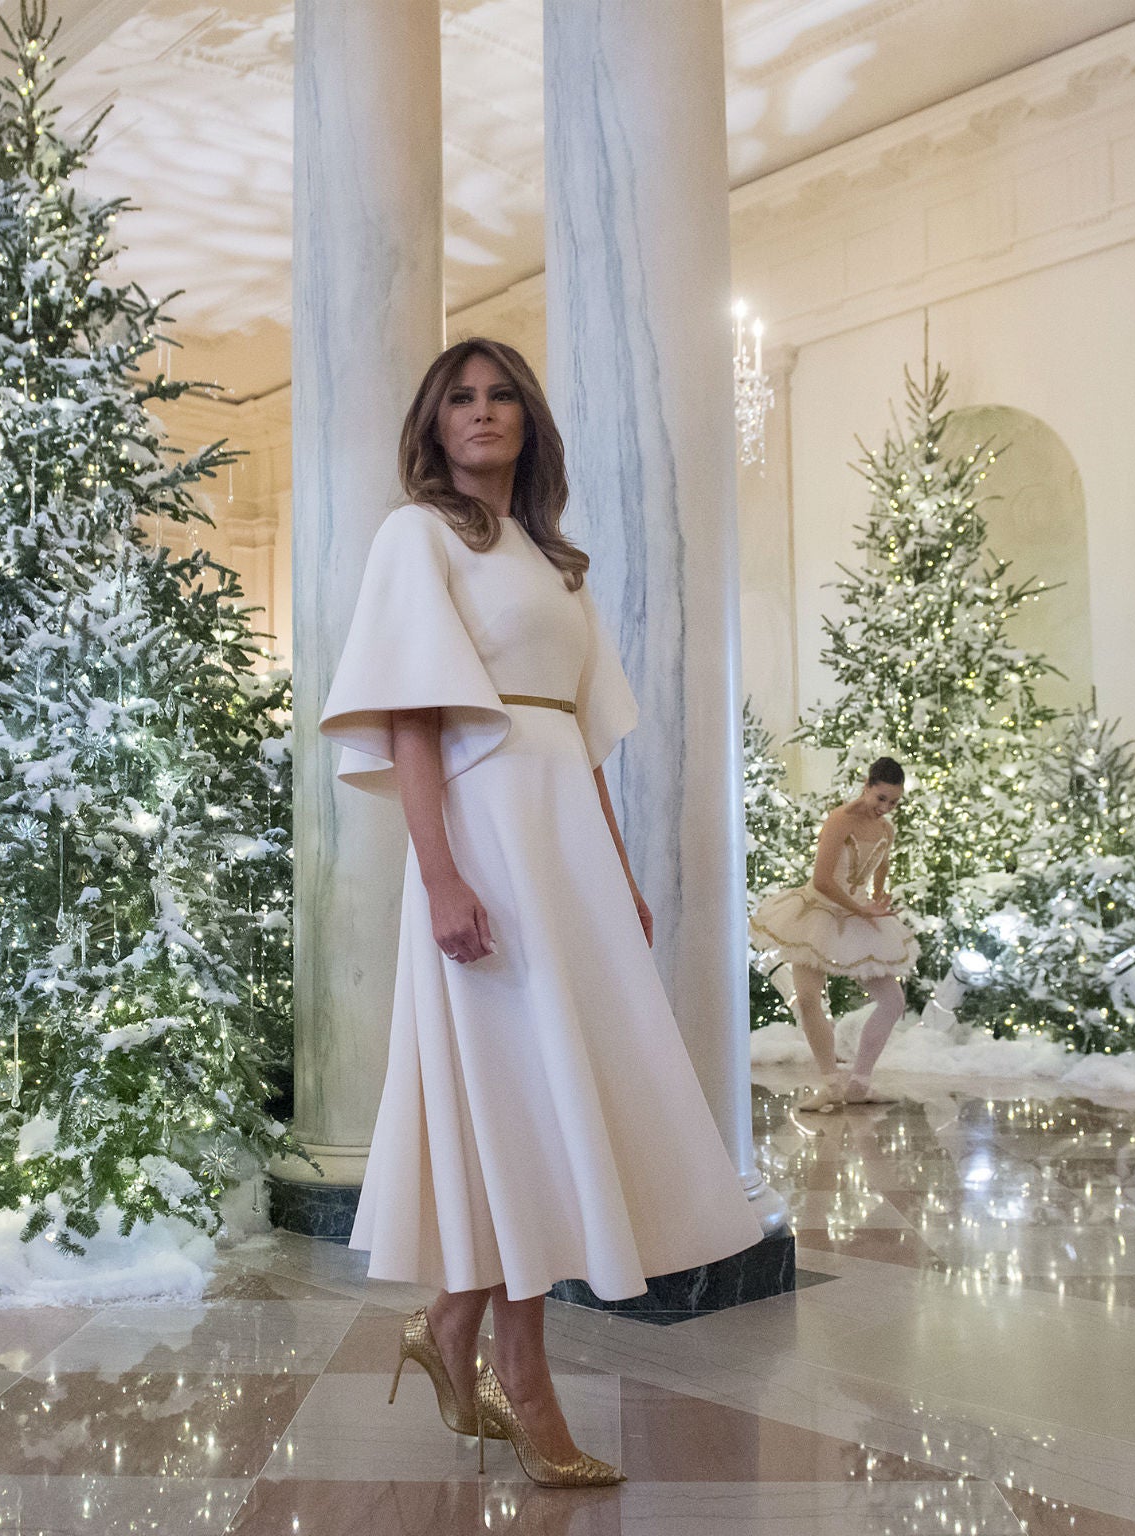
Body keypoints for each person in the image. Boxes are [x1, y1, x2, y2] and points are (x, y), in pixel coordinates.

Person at [318, 337, 763, 1489]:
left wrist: (614, 876)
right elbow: (412, 719)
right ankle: (521, 1380)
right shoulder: (415, 535)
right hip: (482, 842)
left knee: (559, 1100)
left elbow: (581, 740)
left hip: (562, 849)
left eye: (500, 394)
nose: (481, 411)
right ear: (432, 422)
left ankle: (450, 1325)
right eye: (459, 398)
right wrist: (442, 875)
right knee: (513, 1103)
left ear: (528, 420)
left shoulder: (555, 561)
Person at [749, 758, 919, 1111]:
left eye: (894, 803)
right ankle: (830, 1083)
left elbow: (880, 865)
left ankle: (859, 1082)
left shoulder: (886, 830)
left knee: (893, 1001)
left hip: (858, 914)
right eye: (882, 798)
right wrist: (861, 908)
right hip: (817, 913)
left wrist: (879, 896)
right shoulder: (839, 820)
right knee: (808, 998)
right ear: (867, 785)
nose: (885, 808)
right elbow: (823, 881)